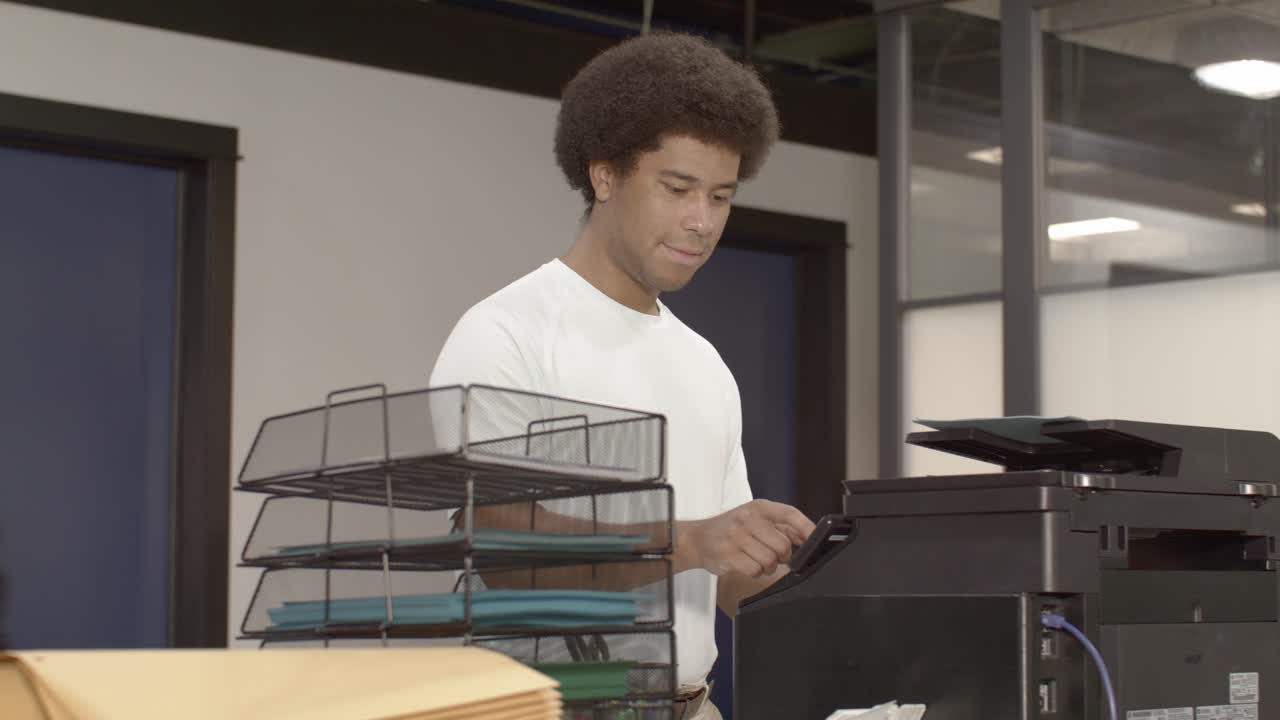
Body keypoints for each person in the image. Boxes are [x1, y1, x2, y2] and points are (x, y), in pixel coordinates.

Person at [430, 31, 816, 720]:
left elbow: (727, 579)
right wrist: (690, 539)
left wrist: (846, 602)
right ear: (604, 176)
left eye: (720, 197)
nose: (701, 222)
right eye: (677, 188)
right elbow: (500, 548)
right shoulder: (507, 334)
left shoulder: (704, 364)